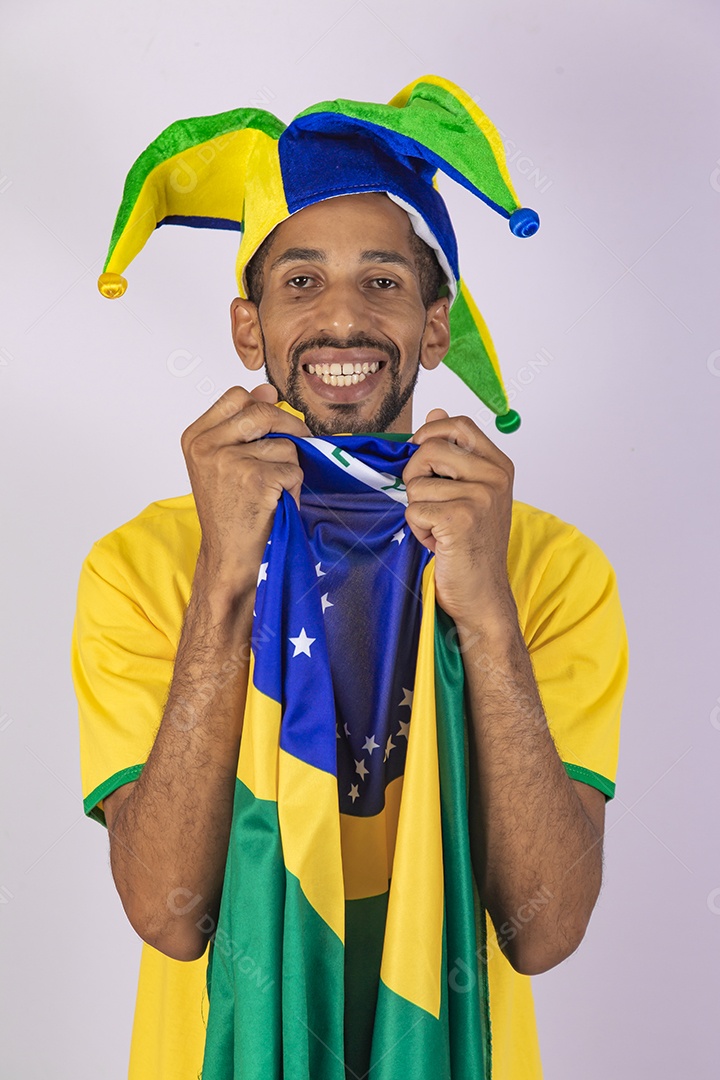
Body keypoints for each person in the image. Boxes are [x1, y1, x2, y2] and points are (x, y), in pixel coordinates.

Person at [72, 77, 628, 1080]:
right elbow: (168, 913)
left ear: (434, 324)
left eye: (381, 280)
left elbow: (543, 931)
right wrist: (225, 585)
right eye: (299, 282)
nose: (340, 318)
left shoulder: (553, 567)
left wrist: (489, 617)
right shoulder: (142, 567)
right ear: (250, 328)